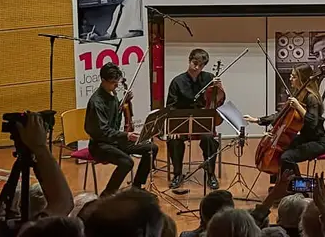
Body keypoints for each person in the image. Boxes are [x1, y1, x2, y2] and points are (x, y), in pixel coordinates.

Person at [85, 62, 159, 196]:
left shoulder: (112, 95)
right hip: (100, 145)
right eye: (113, 83)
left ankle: (136, 188)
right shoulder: (96, 102)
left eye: (117, 82)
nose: (117, 85)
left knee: (151, 148)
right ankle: (107, 195)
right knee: (127, 162)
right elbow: (103, 131)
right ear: (103, 81)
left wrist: (124, 103)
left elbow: (114, 121)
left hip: (115, 141)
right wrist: (126, 135)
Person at [246, 64, 325, 179]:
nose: (290, 78)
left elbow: (312, 123)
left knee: (286, 157)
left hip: (318, 142)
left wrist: (298, 106)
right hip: (305, 138)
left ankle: (300, 188)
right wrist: (258, 120)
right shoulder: (299, 94)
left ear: (302, 79)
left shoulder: (312, 98)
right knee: (280, 153)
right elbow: (281, 115)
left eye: (294, 76)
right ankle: (282, 185)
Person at [167, 48, 223, 190]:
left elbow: (218, 102)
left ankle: (210, 174)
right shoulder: (177, 82)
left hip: (203, 123)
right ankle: (177, 174)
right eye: (194, 63)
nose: (196, 67)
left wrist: (220, 89)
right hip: (182, 123)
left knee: (209, 138)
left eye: (200, 65)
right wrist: (173, 128)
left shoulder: (209, 79)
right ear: (189, 61)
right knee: (174, 139)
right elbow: (170, 107)